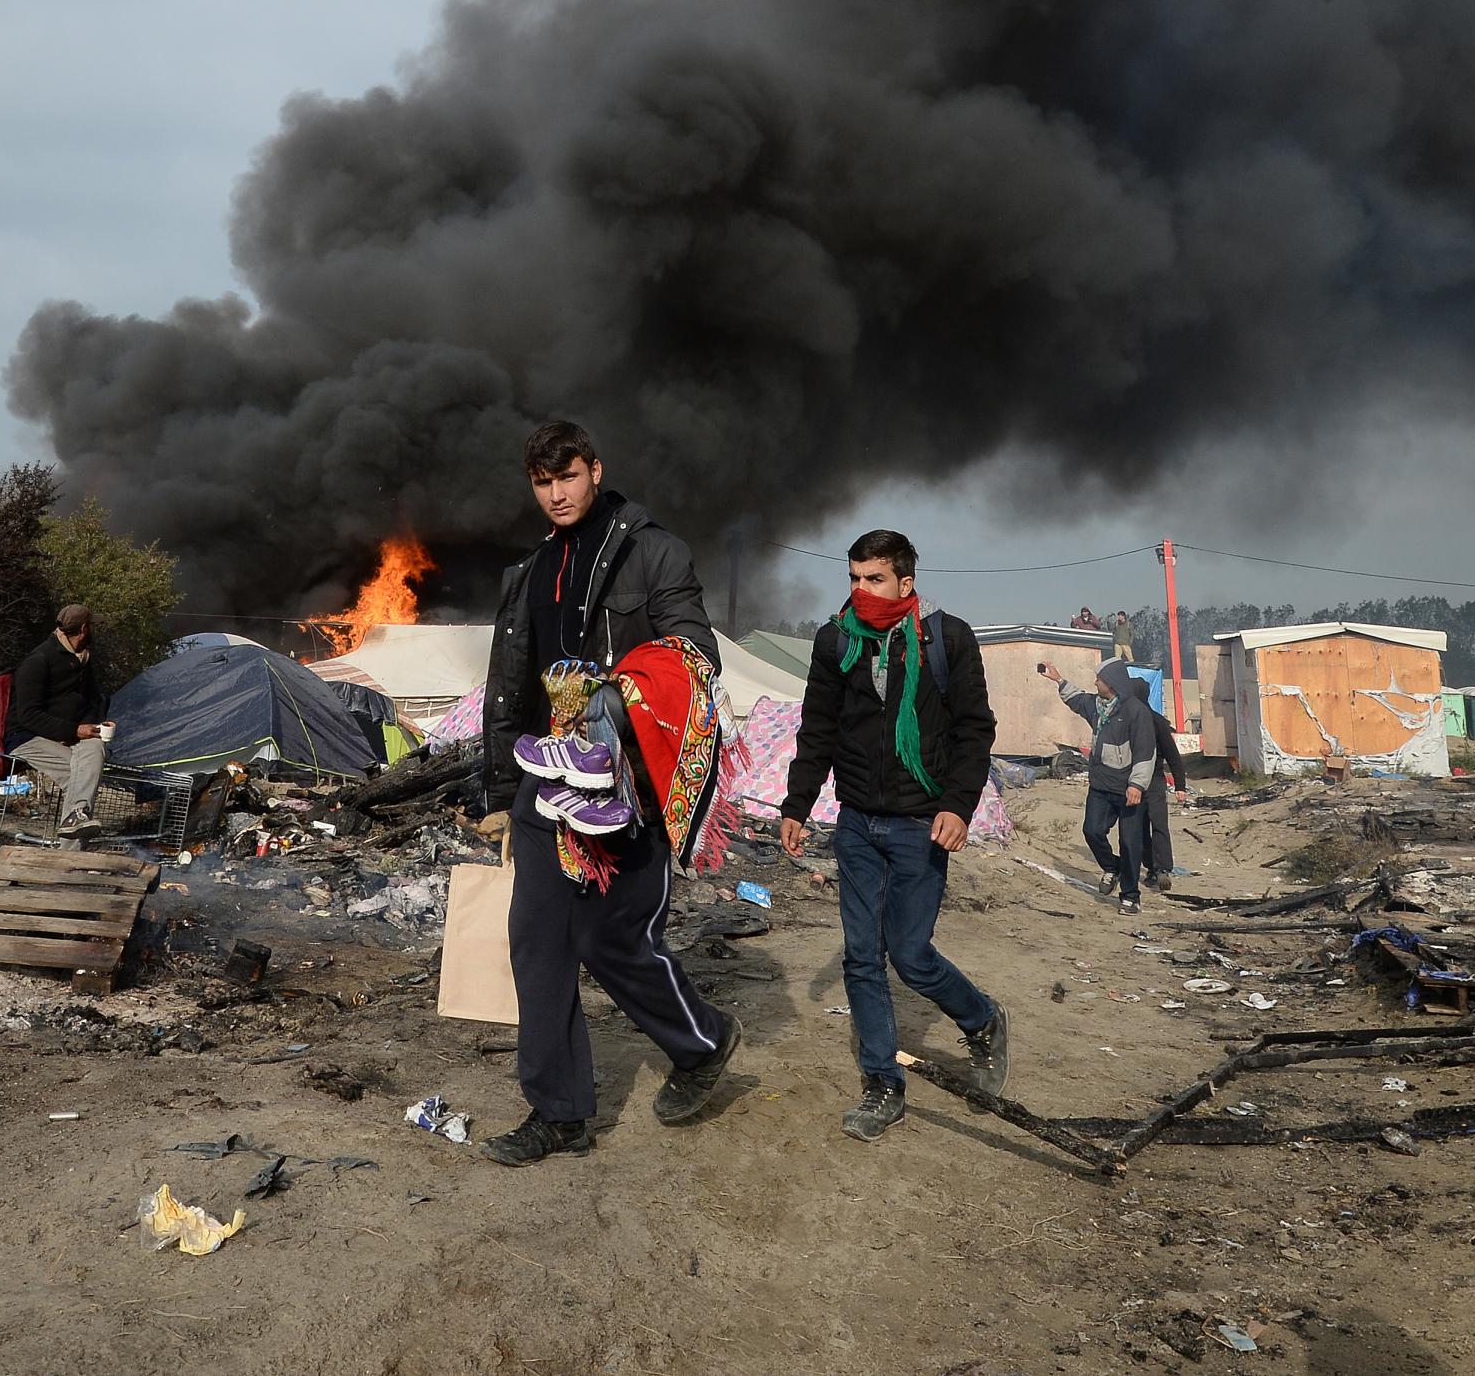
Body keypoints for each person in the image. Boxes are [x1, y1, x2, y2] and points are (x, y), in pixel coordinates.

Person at [477, 421, 742, 1166]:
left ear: (596, 470)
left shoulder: (654, 550)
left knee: (610, 939)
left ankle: (704, 1042)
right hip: (543, 780)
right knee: (536, 944)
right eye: (541, 482)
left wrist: (611, 702)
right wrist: (500, 786)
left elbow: (695, 655)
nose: (555, 494)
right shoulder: (530, 570)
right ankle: (559, 1114)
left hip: (626, 780)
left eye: (567, 476)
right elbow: (512, 688)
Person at [781, 530, 1008, 1142]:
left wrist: (959, 806)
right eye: (854, 579)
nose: (861, 591)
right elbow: (818, 729)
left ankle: (982, 1019)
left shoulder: (946, 639)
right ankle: (883, 1083)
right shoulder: (835, 641)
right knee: (861, 956)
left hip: (920, 824)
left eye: (874, 579)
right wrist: (797, 803)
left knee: (910, 955)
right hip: (856, 821)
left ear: (905, 582)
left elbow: (974, 730)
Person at [1040, 656, 1157, 913]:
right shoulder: (1097, 705)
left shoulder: (1135, 712)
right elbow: (1077, 700)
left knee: (1129, 842)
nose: (1095, 682)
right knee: (1092, 831)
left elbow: (1145, 752)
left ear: (1112, 683)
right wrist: (1058, 679)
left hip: (1128, 789)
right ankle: (1112, 867)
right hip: (1101, 785)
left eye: (1100, 679)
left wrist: (1137, 785)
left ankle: (1130, 895)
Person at [9, 603, 108, 838]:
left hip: (67, 734)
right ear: (84, 628)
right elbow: (28, 715)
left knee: (95, 748)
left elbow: (94, 699)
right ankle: (71, 849)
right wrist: (70, 730)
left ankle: (76, 818)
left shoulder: (82, 659)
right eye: (93, 626)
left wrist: (95, 725)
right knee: (82, 774)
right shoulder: (38, 661)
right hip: (27, 736)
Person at [1139, 700, 1187, 893]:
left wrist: (1180, 785)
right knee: (1149, 826)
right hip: (1142, 781)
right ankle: (1156, 869)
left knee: (1151, 825)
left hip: (1150, 781)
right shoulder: (1136, 718)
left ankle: (1159, 869)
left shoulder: (1153, 721)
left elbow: (1172, 755)